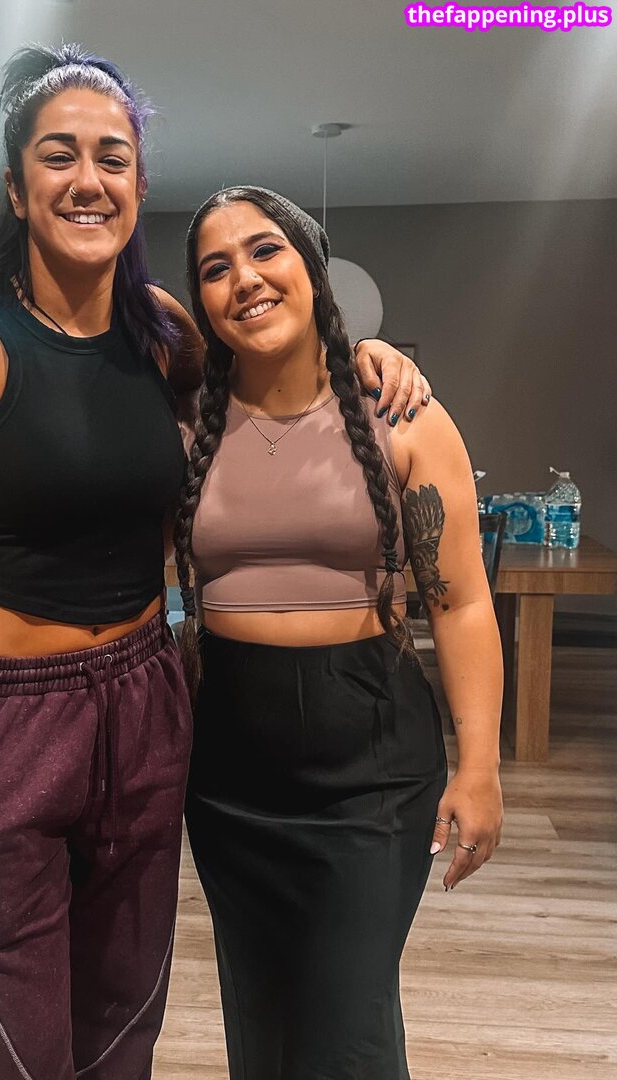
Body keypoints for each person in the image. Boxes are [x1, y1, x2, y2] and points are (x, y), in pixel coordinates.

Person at [0, 43, 430, 1080]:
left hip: (146, 700)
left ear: (139, 185)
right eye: (58, 155)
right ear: (15, 186)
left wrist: (364, 353)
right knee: (20, 1046)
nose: (87, 179)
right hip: (12, 714)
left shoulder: (163, 334)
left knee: (124, 1019)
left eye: (113, 157)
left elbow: (271, 370)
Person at [173, 186, 504, 1080]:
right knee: (262, 1010)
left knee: (347, 1025)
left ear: (313, 268)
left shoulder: (402, 415)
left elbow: (462, 604)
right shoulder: (187, 422)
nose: (245, 278)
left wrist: (479, 767)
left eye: (266, 250)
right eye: (215, 267)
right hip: (229, 770)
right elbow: (124, 316)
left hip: (371, 767)